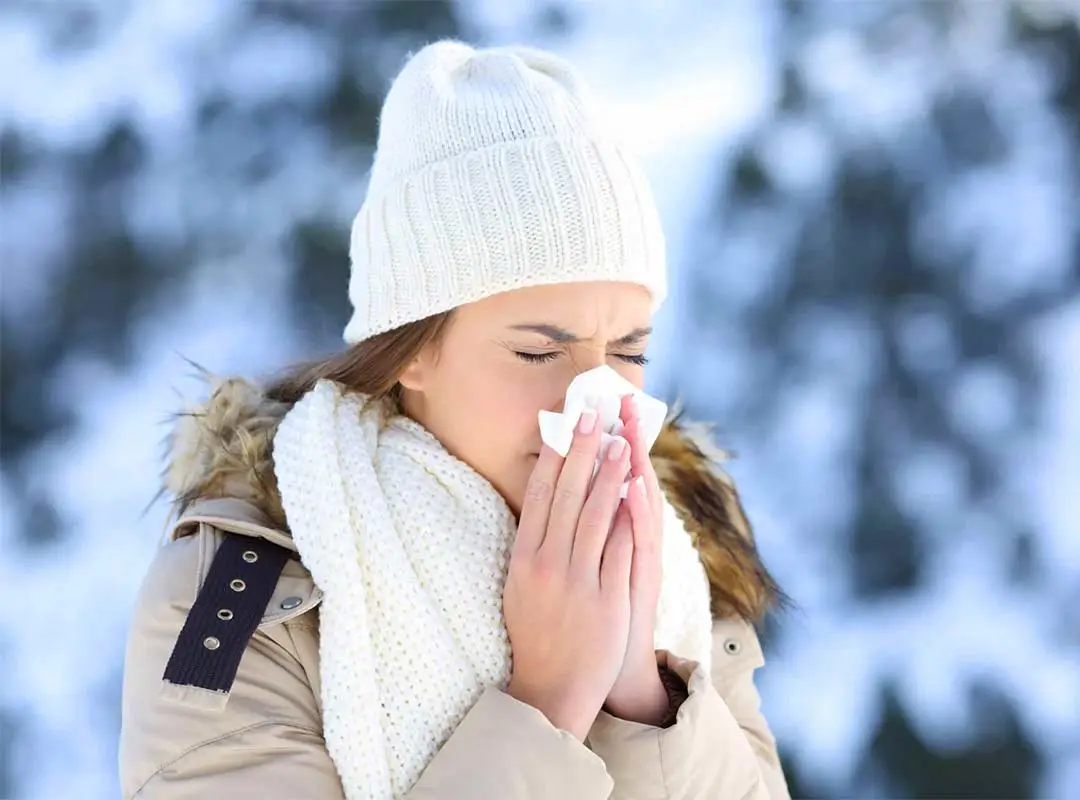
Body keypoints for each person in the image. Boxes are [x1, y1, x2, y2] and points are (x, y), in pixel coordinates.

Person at [118, 39, 790, 799]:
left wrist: (641, 690)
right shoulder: (239, 593)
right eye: (540, 353)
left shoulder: (677, 554)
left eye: (629, 350)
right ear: (412, 351)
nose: (597, 403)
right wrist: (547, 701)